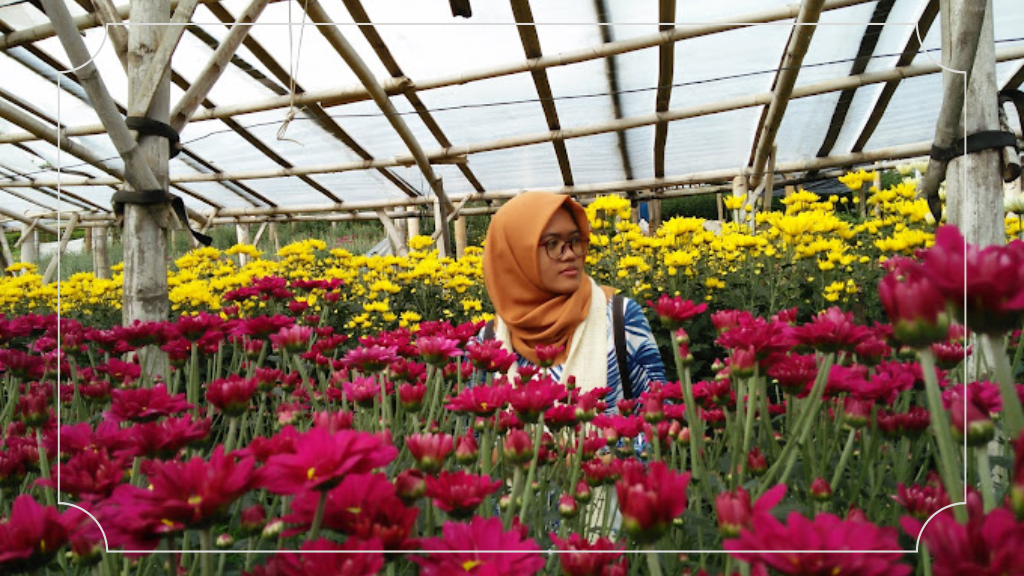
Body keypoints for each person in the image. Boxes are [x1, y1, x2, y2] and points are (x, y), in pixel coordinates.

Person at [481, 192, 666, 405]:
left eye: (575, 240)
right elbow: (475, 423)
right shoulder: (489, 341)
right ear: (515, 255)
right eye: (552, 243)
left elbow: (658, 413)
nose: (570, 254)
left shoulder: (619, 319)